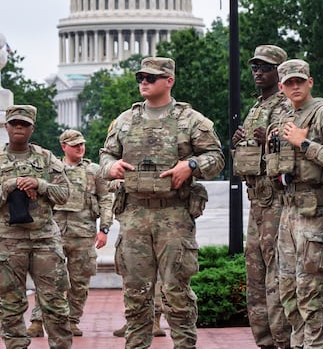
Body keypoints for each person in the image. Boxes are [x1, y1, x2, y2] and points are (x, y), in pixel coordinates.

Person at [99, 56, 224, 349]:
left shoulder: (192, 120)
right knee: (135, 294)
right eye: (141, 77)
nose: (144, 81)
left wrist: (190, 164)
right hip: (134, 216)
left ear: (169, 81)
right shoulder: (125, 120)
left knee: (176, 293)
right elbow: (105, 154)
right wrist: (111, 167)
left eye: (151, 77)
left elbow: (216, 157)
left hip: (174, 217)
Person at [268, 59, 323, 348]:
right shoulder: (283, 118)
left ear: (310, 82)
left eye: (300, 81)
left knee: (312, 292)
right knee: (289, 291)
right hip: (288, 211)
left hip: (314, 213)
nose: (295, 86)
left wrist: (305, 144)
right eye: (289, 82)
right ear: (281, 87)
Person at [232, 44, 292, 349]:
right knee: (254, 276)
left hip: (277, 203)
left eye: (265, 68)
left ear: (278, 72)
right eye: (255, 67)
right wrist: (241, 144)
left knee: (275, 276)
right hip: (256, 202)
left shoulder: (285, 107)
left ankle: (283, 340)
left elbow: (290, 154)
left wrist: (267, 142)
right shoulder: (257, 107)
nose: (258, 72)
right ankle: (265, 340)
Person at [26, 129, 114, 337]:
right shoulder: (51, 170)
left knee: (80, 281)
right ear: (64, 147)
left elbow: (106, 199)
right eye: (74, 145)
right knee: (47, 279)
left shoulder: (94, 171)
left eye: (81, 144)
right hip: (52, 233)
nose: (80, 148)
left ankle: (72, 320)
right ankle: (38, 321)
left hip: (84, 235)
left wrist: (104, 228)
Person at [0, 105, 72, 348]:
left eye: (25, 124)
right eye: (14, 123)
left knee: (55, 304)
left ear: (32, 128)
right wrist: (7, 186)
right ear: (6, 126)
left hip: (44, 241)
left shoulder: (46, 158)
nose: (19, 128)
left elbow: (65, 194)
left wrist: (40, 184)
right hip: (8, 243)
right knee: (10, 305)